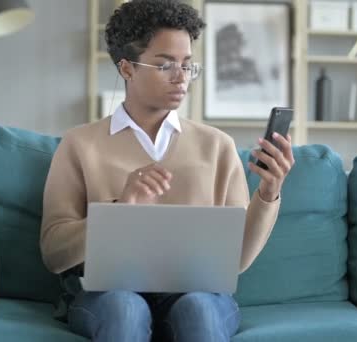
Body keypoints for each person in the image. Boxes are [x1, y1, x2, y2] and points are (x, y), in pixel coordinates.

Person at [40, 1, 294, 341]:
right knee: (125, 309)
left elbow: (236, 261)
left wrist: (268, 193)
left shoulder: (217, 146)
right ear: (127, 69)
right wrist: (120, 209)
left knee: (200, 310)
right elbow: (54, 253)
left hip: (199, 294)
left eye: (188, 65)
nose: (181, 78)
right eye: (165, 66)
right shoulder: (79, 145)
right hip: (108, 295)